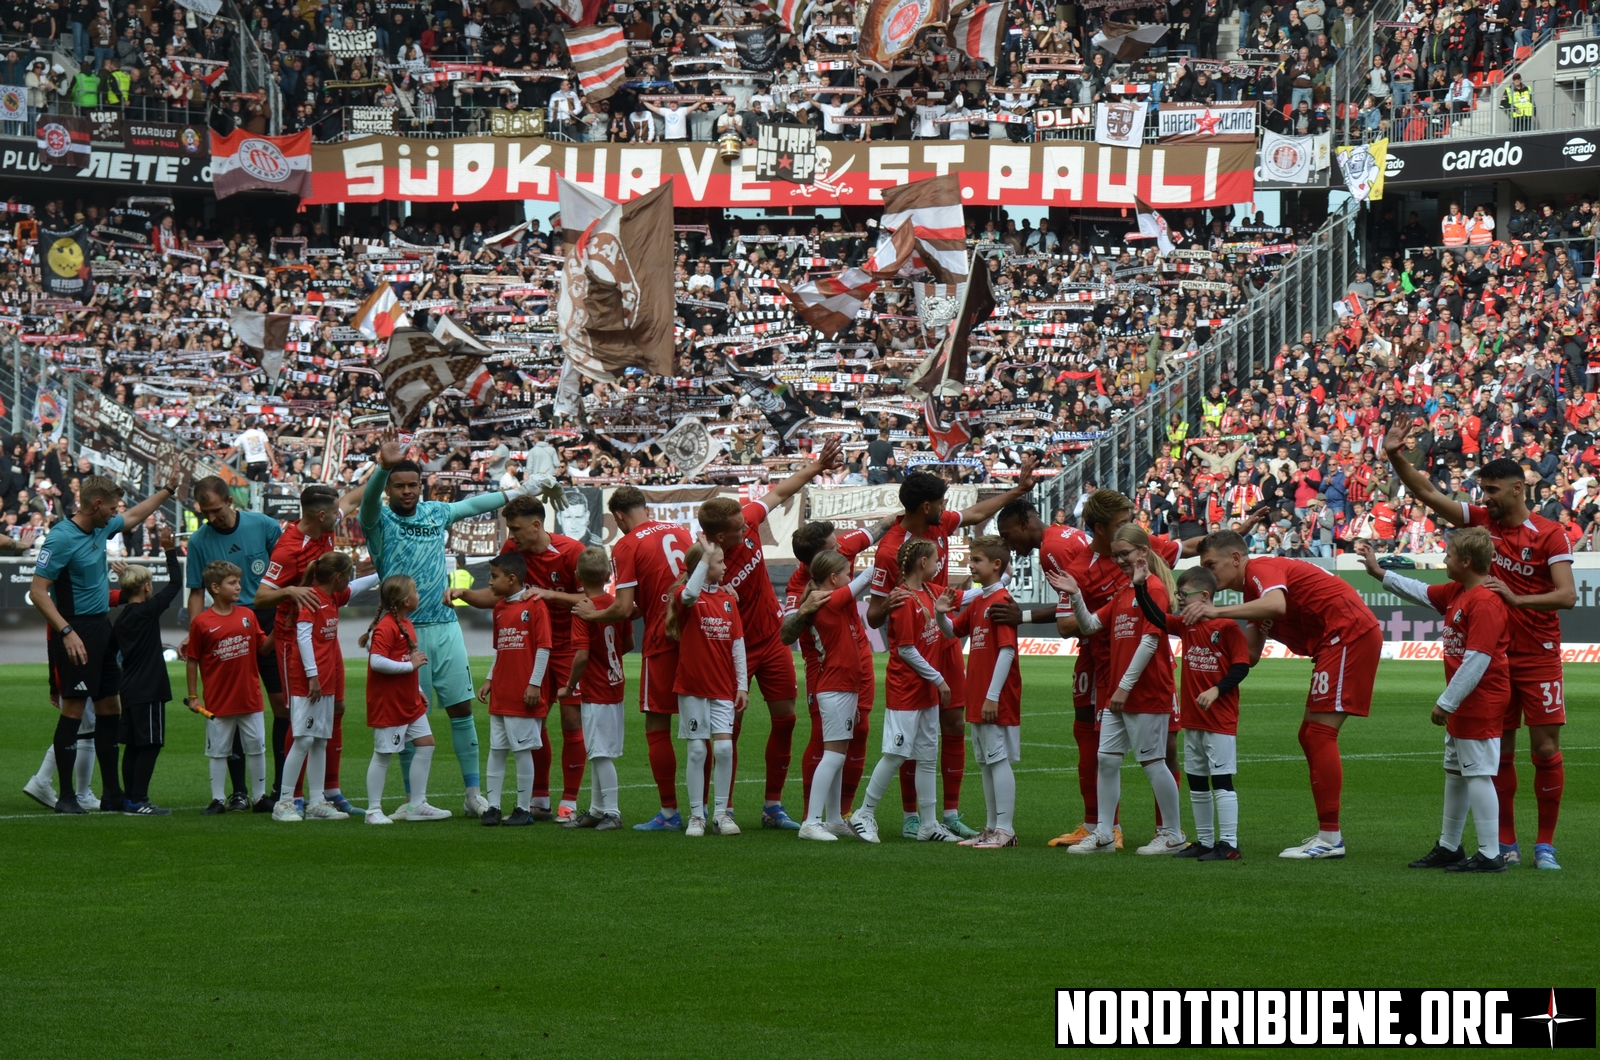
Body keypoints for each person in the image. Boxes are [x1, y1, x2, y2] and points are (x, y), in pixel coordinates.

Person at [1381, 425, 1573, 870]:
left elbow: (1566, 596)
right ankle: (1505, 842)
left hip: (1539, 654)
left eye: (1492, 490)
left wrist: (1516, 599)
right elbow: (1427, 493)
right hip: (1496, 660)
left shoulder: (1550, 534)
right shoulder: (1482, 522)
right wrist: (1395, 457)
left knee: (1545, 749)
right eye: (1483, 490)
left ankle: (1545, 844)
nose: (1485, 498)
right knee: (1497, 753)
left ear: (1518, 488)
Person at [360, 429, 543, 818]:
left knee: (461, 709)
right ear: (389, 489)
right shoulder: (380, 522)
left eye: (413, 485)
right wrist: (381, 469)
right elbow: (367, 507)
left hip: (445, 626)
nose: (407, 491)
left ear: (421, 486)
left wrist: (522, 491)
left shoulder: (434, 512)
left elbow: (474, 504)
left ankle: (473, 794)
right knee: (411, 717)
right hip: (405, 632)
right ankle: (414, 800)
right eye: (399, 486)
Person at [1182, 528, 1382, 859]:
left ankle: (1330, 838)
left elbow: (1276, 605)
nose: (1208, 573)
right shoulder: (1253, 592)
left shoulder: (1261, 569)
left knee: (1319, 735)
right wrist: (1207, 644)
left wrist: (1215, 612)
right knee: (1309, 735)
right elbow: (1250, 654)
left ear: (1236, 558)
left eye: (1211, 564)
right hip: (1336, 640)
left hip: (1347, 633)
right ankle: (1328, 834)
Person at [866, 459, 1037, 839]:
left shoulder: (939, 524)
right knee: (912, 734)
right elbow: (874, 615)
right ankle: (912, 816)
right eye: (942, 503)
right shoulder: (890, 549)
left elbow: (975, 513)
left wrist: (1018, 491)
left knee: (954, 723)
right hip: (915, 646)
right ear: (926, 506)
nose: (947, 510)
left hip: (943, 638)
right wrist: (893, 604)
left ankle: (949, 814)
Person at [695, 436, 842, 831]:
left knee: (786, 719)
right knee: (728, 730)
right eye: (739, 528)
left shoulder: (746, 520)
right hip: (732, 650)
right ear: (718, 538)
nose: (748, 527)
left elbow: (779, 492)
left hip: (773, 639)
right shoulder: (704, 564)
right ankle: (721, 808)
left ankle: (773, 806)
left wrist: (817, 465)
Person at [1355, 533, 1512, 872]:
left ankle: (1490, 854)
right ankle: (1449, 846)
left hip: (1481, 699)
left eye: (1449, 555)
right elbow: (1419, 591)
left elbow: (1478, 659)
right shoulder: (1459, 591)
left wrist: (1446, 702)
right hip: (1465, 699)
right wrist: (1379, 572)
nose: (1444, 560)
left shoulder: (1485, 601)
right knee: (1456, 770)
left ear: (1466, 562)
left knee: (1478, 773)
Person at [33, 465, 181, 813]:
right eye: (112, 508)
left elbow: (134, 516)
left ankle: (113, 795)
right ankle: (66, 796)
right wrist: (66, 632)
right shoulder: (60, 538)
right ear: (97, 504)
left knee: (110, 707)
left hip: (101, 628)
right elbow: (38, 592)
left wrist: (168, 491)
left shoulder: (102, 526)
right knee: (73, 709)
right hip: (75, 630)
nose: (116, 514)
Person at [1057, 525, 1187, 856]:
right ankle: (1103, 833)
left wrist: (1124, 687)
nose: (1119, 560)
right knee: (1106, 759)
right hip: (1120, 693)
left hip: (1146, 691)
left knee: (1153, 762)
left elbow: (1151, 641)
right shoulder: (1122, 592)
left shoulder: (1153, 588)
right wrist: (1076, 594)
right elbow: (1089, 625)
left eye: (1125, 553)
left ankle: (1172, 834)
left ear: (1143, 552)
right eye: (1116, 555)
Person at [572, 486, 695, 832]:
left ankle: (669, 813)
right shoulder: (680, 531)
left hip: (662, 638)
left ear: (619, 517)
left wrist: (591, 615)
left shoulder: (627, 544)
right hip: (694, 635)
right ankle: (709, 812)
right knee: (700, 728)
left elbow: (623, 609)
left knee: (657, 726)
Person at [1132, 564, 1252, 860]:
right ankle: (1206, 842)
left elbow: (1241, 666)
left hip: (1220, 719)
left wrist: (1216, 690)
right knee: (1197, 780)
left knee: (1221, 780)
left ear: (1205, 595)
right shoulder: (1187, 624)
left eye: (1183, 594)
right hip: (1194, 718)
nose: (1180, 599)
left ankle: (1229, 844)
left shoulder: (1226, 626)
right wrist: (1140, 586)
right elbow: (1156, 616)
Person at [780, 517, 892, 820]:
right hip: (824, 664)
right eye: (833, 546)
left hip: (857, 655)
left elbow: (884, 525)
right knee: (824, 737)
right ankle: (811, 816)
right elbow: (785, 634)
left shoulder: (840, 549)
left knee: (861, 729)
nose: (841, 547)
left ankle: (841, 814)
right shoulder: (799, 587)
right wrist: (803, 610)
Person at [184, 475, 283, 811]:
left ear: (230, 501)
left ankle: (279, 788)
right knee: (229, 706)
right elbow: (196, 592)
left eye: (216, 510)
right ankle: (238, 792)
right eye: (205, 513)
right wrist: (196, 630)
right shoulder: (199, 541)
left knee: (281, 705)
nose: (212, 518)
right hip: (224, 626)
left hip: (265, 616)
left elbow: (285, 570)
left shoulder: (264, 525)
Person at [851, 539, 959, 844]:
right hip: (906, 691)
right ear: (923, 562)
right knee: (896, 753)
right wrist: (939, 679)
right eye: (935, 559)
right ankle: (863, 814)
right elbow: (906, 649)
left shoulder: (931, 592)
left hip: (926, 691)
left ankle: (928, 824)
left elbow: (965, 597)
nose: (939, 564)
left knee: (927, 756)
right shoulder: (902, 599)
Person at [254, 484, 349, 810]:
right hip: (295, 639)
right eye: (334, 511)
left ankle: (327, 794)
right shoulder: (288, 549)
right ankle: (291, 797)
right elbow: (260, 597)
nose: (340, 515)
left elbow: (353, 498)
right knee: (300, 721)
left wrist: (383, 467)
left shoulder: (325, 525)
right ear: (321, 515)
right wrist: (291, 591)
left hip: (326, 634)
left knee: (335, 711)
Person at [499, 494, 586, 822]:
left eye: (516, 529)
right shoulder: (511, 551)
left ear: (536, 525)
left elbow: (590, 599)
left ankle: (570, 801)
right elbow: (498, 592)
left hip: (568, 645)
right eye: (510, 529)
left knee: (571, 720)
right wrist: (463, 595)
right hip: (532, 648)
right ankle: (540, 798)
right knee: (533, 719)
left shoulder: (571, 551)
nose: (512, 536)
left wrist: (548, 594)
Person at [936, 536, 1021, 849]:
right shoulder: (979, 602)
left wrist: (993, 695)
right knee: (986, 762)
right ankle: (992, 827)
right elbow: (952, 631)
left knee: (997, 760)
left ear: (996, 564)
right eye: (971, 559)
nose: (970, 565)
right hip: (979, 694)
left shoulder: (1001, 601)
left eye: (976, 560)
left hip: (994, 696)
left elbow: (1008, 651)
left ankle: (1006, 829)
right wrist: (940, 613)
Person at [791, 549, 875, 842]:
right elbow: (867, 577)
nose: (850, 578)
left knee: (837, 756)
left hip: (843, 686)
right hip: (836, 686)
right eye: (846, 573)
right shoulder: (829, 601)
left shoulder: (831, 602)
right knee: (833, 756)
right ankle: (811, 822)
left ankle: (834, 819)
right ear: (833, 578)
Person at [665, 539, 747, 837]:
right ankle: (696, 816)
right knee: (698, 751)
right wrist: (704, 559)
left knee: (724, 748)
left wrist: (742, 685)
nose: (725, 567)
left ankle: (722, 814)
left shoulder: (728, 600)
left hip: (723, 687)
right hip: (692, 687)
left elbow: (737, 645)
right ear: (702, 566)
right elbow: (689, 594)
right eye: (718, 562)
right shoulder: (684, 596)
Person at [274, 551, 358, 822]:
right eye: (348, 575)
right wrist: (312, 675)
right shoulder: (311, 599)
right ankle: (284, 802)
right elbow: (303, 637)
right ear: (337, 577)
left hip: (325, 681)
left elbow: (358, 587)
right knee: (304, 739)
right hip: (308, 682)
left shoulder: (331, 598)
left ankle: (318, 802)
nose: (350, 581)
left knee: (320, 739)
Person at [185, 560, 270, 816]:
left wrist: (279, 630)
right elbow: (192, 660)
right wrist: (193, 696)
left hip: (250, 696)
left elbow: (263, 648)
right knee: (218, 751)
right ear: (215, 588)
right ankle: (218, 799)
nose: (238, 587)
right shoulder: (201, 622)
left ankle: (259, 797)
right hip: (218, 700)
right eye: (232, 583)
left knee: (256, 747)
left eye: (238, 582)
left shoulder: (248, 615)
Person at [360, 575, 446, 824]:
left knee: (426, 743)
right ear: (406, 600)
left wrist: (416, 688)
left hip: (408, 700)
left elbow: (404, 658)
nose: (419, 594)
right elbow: (377, 662)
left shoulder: (406, 623)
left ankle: (417, 804)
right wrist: (411, 667)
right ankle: (373, 811)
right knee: (383, 754)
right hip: (389, 703)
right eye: (415, 591)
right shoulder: (387, 627)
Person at [473, 551, 551, 827]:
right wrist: (490, 679)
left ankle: (523, 809)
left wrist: (534, 684)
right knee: (496, 750)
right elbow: (500, 650)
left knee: (522, 751)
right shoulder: (499, 609)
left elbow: (543, 648)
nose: (490, 582)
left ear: (512, 578)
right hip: (502, 693)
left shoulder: (536, 605)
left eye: (494, 576)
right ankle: (493, 807)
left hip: (523, 694)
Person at [557, 546, 632, 830]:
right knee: (598, 750)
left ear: (577, 575)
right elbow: (628, 643)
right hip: (614, 682)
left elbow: (582, 656)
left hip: (596, 687)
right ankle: (597, 810)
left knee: (599, 754)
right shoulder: (616, 604)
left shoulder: (582, 610)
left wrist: (569, 686)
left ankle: (612, 812)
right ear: (609, 574)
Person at [111, 527, 182, 814]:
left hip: (129, 687)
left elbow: (111, 650)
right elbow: (176, 583)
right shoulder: (148, 611)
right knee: (150, 744)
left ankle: (130, 799)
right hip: (149, 687)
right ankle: (139, 800)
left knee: (134, 745)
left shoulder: (121, 619)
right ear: (146, 588)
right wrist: (169, 550)